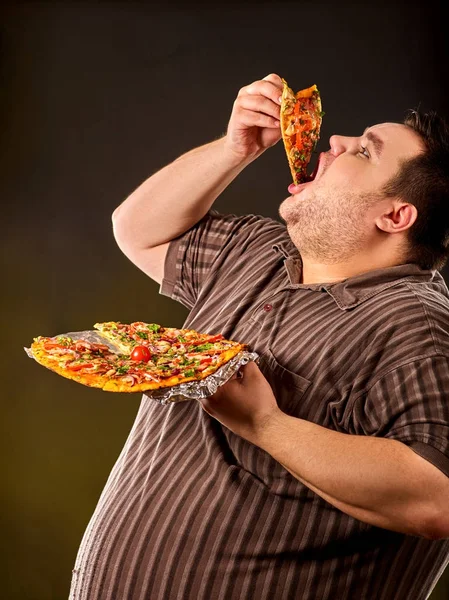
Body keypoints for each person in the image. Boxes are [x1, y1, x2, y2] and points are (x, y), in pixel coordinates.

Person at [69, 73, 449, 600]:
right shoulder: (259, 250)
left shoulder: (418, 327)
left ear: (395, 215)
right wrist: (234, 149)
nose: (336, 142)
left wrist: (266, 424)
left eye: (364, 151)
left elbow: (438, 500)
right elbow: (137, 228)